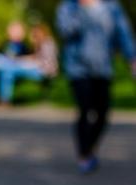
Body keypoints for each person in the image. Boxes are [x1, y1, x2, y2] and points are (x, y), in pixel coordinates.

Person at [56, 0, 136, 174]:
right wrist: (84, 10)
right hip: (78, 68)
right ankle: (84, 155)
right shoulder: (68, 7)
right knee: (85, 109)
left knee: (103, 113)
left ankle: (89, 148)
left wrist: (132, 57)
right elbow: (66, 30)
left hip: (103, 67)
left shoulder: (112, 7)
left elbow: (122, 33)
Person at [0, 22, 58, 113]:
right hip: (12, 66)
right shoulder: (7, 43)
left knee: (7, 70)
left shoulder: (45, 43)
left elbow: (43, 62)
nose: (32, 37)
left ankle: (2, 99)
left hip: (43, 70)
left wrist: (24, 60)